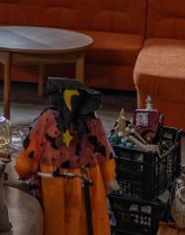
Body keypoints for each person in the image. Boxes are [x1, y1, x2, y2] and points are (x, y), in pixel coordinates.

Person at [14, 78, 117, 235]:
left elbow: (31, 151)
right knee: (86, 221)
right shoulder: (92, 120)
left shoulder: (47, 119)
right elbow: (104, 150)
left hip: (53, 181)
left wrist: (23, 170)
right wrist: (109, 178)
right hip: (87, 180)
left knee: (56, 223)